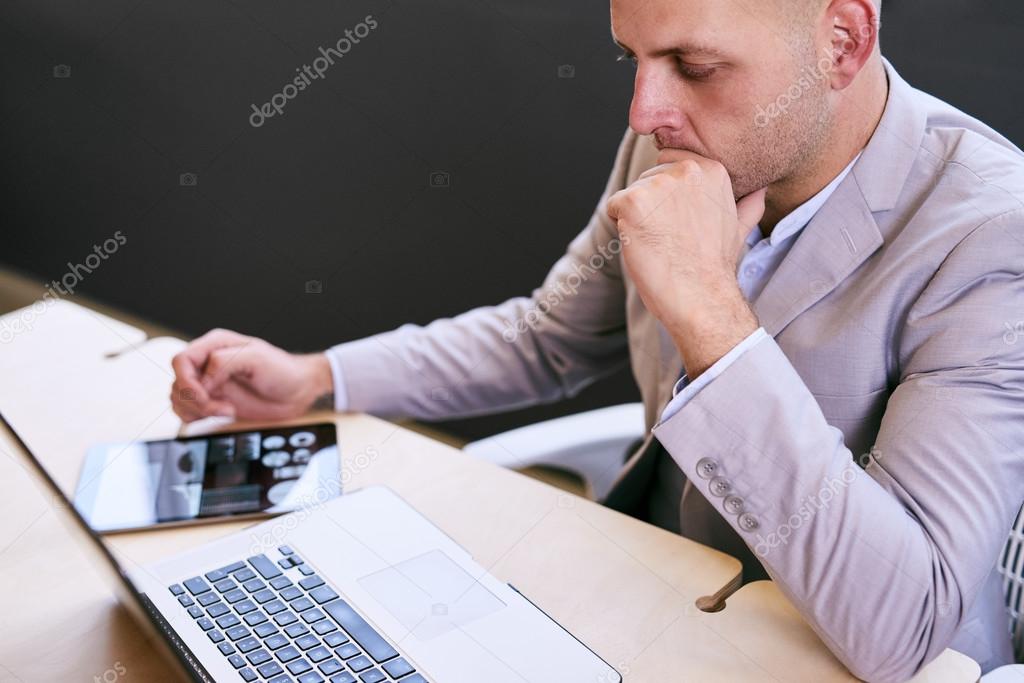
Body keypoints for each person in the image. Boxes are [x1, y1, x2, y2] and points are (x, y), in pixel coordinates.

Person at [170, 0, 1024, 679]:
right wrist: (316, 375)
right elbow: (546, 340)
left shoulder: (992, 234)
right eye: (635, 59)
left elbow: (904, 625)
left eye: (694, 65)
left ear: (842, 41)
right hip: (649, 599)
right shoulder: (676, 140)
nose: (645, 110)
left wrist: (707, 308)